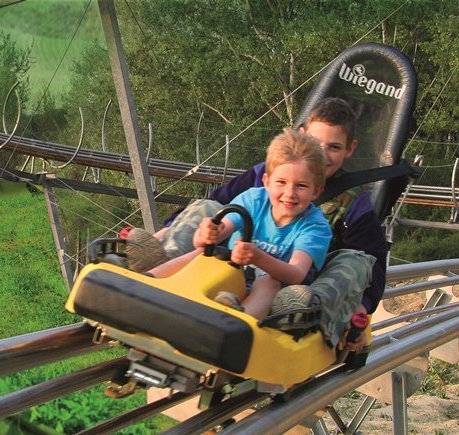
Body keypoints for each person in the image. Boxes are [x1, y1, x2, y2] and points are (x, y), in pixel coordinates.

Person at [128, 97, 382, 349]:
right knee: (208, 219)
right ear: (267, 180)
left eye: (334, 147)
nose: (322, 154)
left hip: (289, 282)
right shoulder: (263, 182)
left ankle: (279, 317)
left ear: (349, 149)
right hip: (233, 267)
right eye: (315, 143)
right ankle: (149, 274)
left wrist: (361, 309)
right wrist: (197, 232)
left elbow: (370, 261)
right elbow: (220, 211)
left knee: (349, 262)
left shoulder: (342, 209)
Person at [148, 129, 332, 320]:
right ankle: (147, 280)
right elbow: (214, 235)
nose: (290, 193)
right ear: (267, 181)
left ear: (316, 191)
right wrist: (208, 233)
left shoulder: (315, 226)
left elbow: (296, 274)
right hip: (229, 275)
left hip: (270, 296)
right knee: (203, 252)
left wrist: (257, 257)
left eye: (301, 186)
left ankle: (235, 321)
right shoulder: (254, 199)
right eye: (281, 182)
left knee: (269, 282)